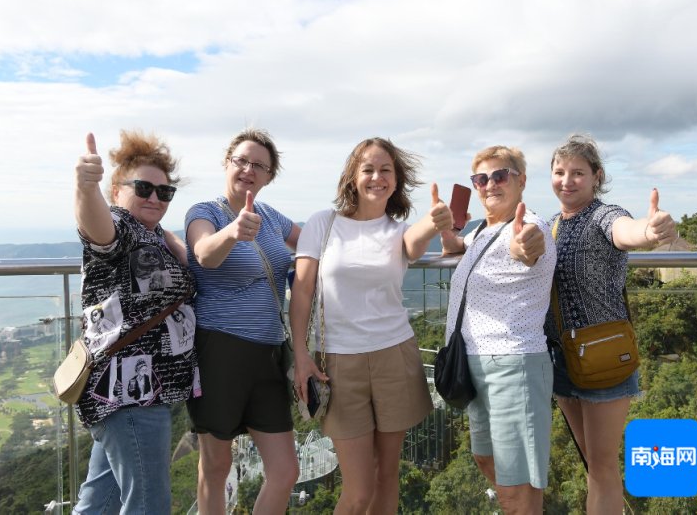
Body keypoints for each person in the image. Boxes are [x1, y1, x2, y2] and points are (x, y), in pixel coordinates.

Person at [289, 137, 453, 514]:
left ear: (396, 180)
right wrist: (300, 355)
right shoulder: (322, 224)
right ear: (352, 175)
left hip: (394, 355)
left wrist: (434, 221)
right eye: (368, 169)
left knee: (387, 473)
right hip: (337, 363)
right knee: (359, 490)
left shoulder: (397, 230)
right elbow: (301, 292)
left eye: (386, 170)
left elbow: (413, 244)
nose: (377, 177)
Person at [544, 134, 676, 513]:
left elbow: (627, 231)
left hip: (605, 358)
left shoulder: (603, 214)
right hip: (562, 359)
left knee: (602, 466)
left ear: (596, 177)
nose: (566, 181)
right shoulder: (551, 224)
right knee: (592, 464)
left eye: (577, 173)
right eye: (559, 172)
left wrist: (648, 232)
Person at [72, 130, 197, 514]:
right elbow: (98, 230)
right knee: (149, 504)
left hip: (129, 394)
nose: (155, 198)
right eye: (144, 187)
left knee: (99, 504)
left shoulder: (152, 234)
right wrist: (85, 187)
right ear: (116, 189)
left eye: (165, 192)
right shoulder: (120, 227)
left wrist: (175, 244)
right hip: (131, 394)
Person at [185, 127, 301, 514]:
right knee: (216, 465)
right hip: (220, 350)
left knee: (285, 471)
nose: (248, 169)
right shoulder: (206, 212)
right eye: (241, 160)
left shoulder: (271, 218)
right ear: (227, 163)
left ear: (269, 176)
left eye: (259, 165)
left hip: (268, 355)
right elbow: (204, 253)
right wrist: (233, 232)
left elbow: (316, 243)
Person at [439, 145, 556, 514]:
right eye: (481, 178)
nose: (490, 184)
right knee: (486, 460)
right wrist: (447, 233)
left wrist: (525, 246)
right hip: (475, 365)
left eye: (500, 175)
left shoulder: (527, 227)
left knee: (515, 486)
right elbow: (460, 247)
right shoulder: (484, 231)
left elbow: (528, 247)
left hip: (513, 364)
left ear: (521, 181)